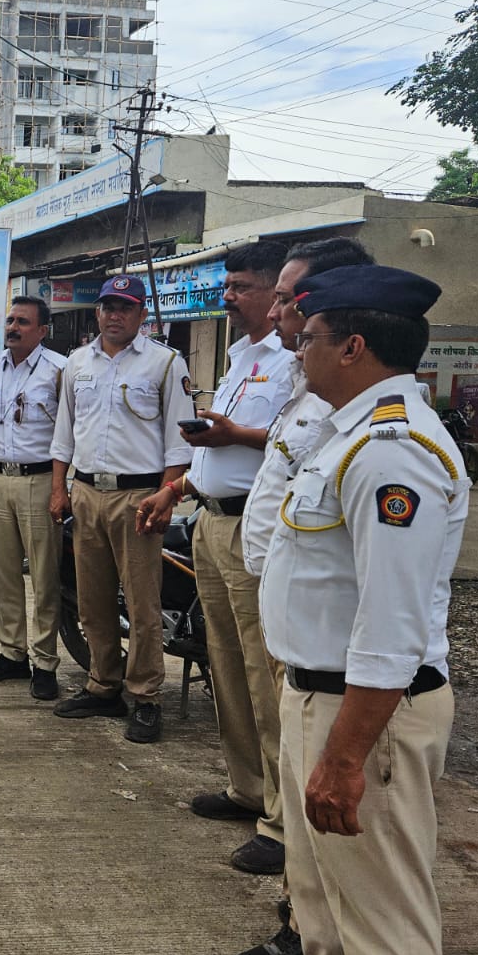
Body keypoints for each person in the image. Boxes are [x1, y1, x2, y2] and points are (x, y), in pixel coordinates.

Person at [212, 265, 469, 955]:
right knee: (321, 894)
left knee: (385, 922)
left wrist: (348, 756)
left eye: (312, 336)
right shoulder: (344, 431)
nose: (298, 348)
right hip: (314, 691)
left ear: (353, 346)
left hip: (365, 712)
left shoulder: (395, 452)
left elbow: (392, 627)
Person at [230, 235, 378, 955]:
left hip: (329, 647)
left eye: (293, 299)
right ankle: (306, 935)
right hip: (287, 611)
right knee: (290, 772)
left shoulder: (367, 423)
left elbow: (388, 601)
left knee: (329, 809)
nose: (280, 312)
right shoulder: (305, 386)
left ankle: (310, 938)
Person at [136, 241, 296, 876]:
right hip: (210, 521)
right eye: (227, 286)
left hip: (254, 528)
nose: (229, 297)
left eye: (243, 287)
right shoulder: (240, 359)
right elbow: (218, 452)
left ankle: (282, 819)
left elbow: (294, 442)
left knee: (264, 672)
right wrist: (176, 488)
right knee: (224, 662)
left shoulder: (292, 361)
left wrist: (236, 435)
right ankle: (247, 788)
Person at [48, 274, 192, 744]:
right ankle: (103, 684)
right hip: (87, 492)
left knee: (142, 602)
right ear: (97, 312)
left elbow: (178, 441)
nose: (115, 315)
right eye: (108, 306)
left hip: (139, 496)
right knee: (92, 599)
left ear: (141, 314)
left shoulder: (165, 362)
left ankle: (146, 696)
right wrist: (59, 488)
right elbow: (65, 432)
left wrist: (168, 494)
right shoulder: (77, 363)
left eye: (126, 307)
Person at [0, 295, 67, 700]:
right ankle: (12, 652)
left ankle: (45, 661)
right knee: (4, 572)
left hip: (39, 480)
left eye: (23, 322)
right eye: (10, 320)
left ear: (42, 330)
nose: (13, 327)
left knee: (44, 576)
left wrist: (62, 487)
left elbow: (68, 433)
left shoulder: (59, 370)